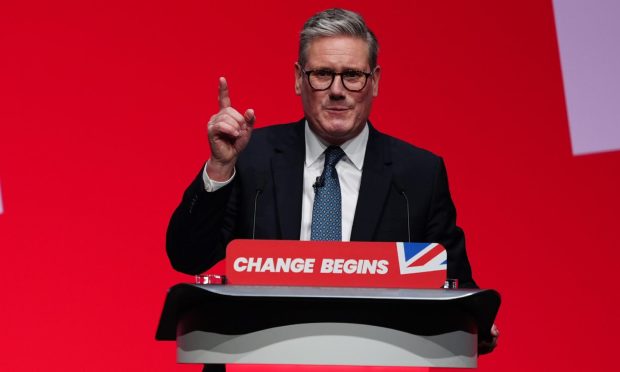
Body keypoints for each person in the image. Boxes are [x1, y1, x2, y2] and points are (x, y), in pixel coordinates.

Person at [166, 8, 498, 353]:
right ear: (298, 78)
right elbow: (187, 257)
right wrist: (220, 168)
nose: (337, 90)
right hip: (258, 357)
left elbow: (455, 287)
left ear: (376, 81)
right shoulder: (250, 157)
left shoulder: (418, 174)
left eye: (353, 75)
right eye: (322, 74)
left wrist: (475, 323)